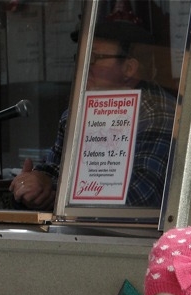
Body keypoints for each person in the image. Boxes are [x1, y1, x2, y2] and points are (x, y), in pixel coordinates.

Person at [9, 13, 175, 210]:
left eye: (93, 58)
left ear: (129, 68)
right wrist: (37, 180)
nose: (83, 66)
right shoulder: (77, 112)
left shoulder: (157, 115)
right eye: (80, 58)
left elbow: (139, 196)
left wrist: (55, 191)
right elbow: (55, 167)